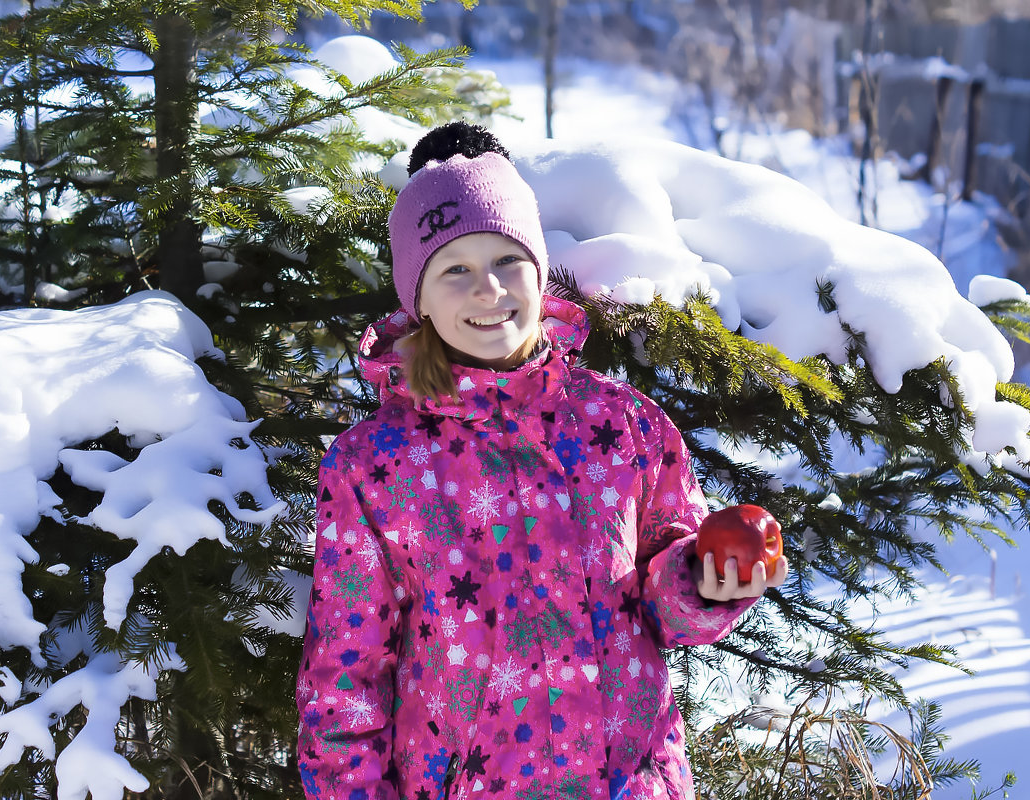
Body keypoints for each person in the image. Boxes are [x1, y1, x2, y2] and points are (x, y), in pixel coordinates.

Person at [296, 121, 788, 800]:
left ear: (537, 268)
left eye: (506, 262)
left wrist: (708, 582)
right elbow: (343, 676)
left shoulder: (624, 426)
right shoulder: (374, 465)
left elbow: (666, 601)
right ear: (418, 298)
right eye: (455, 270)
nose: (488, 290)